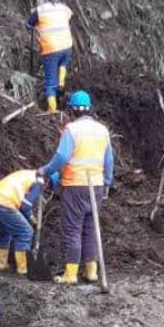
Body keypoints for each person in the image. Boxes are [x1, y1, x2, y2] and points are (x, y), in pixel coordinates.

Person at [37, 90, 113, 284]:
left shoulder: (71, 130)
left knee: (73, 229)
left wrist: (45, 170)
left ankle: (70, 274)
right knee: (91, 228)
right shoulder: (102, 130)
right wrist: (106, 184)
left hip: (75, 186)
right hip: (95, 185)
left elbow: (62, 157)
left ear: (71, 110)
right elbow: (109, 161)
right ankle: (91, 271)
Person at [0, 170, 56, 275]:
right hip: (4, 202)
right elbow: (25, 206)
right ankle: (23, 269)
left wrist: (28, 216)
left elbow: (23, 205)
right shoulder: (39, 182)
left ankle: (2, 264)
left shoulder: (29, 174)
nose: (45, 189)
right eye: (48, 187)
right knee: (26, 232)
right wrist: (31, 219)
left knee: (4, 231)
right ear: (48, 180)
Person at [26, 0, 73, 113]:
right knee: (63, 64)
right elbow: (68, 17)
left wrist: (34, 19)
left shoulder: (40, 10)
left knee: (50, 83)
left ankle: (53, 111)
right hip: (67, 46)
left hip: (51, 49)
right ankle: (62, 84)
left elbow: (29, 25)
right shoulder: (65, 9)